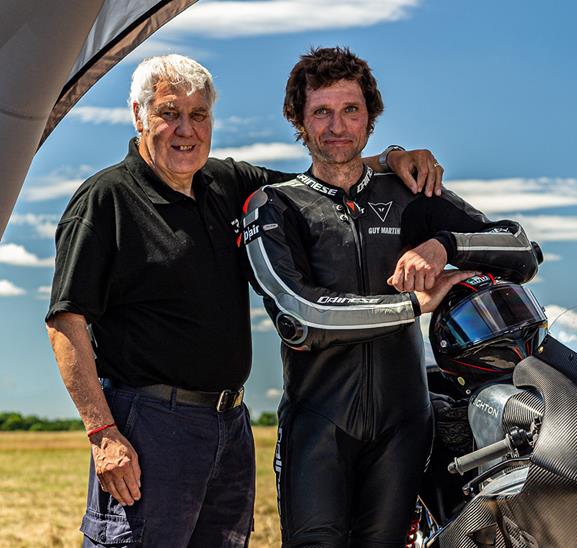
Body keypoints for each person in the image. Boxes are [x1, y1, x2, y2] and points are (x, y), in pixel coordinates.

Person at [44, 54, 442, 547]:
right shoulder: (106, 200)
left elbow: (326, 173)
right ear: (139, 116)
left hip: (228, 427)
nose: (185, 129)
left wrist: (393, 158)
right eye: (170, 113)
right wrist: (103, 433)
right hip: (147, 427)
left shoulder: (228, 183)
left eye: (199, 114)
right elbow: (66, 321)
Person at [242, 46, 541, 548]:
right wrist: (409, 307)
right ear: (299, 120)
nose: (338, 126)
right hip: (319, 428)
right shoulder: (275, 204)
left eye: (351, 110)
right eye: (322, 112)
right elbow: (300, 315)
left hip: (403, 426)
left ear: (370, 118)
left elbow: (521, 250)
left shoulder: (406, 193)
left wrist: (443, 243)